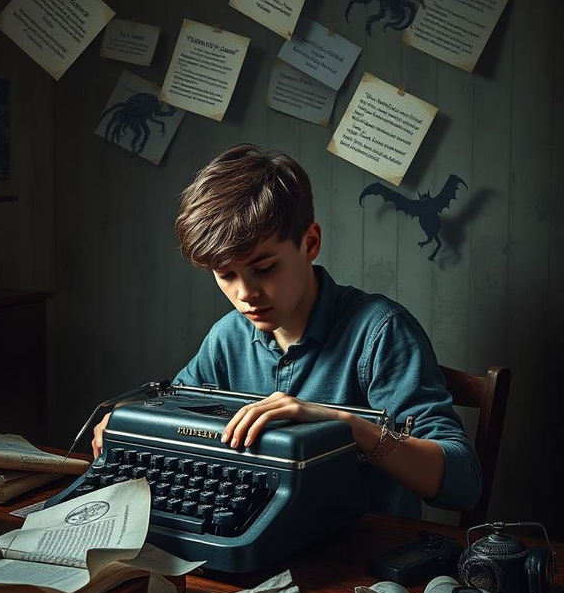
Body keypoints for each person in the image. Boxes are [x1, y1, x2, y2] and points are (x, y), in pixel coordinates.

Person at [167, 143, 481, 519]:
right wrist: (124, 425)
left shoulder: (381, 332)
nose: (245, 294)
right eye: (226, 275)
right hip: (257, 530)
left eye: (265, 268)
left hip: (361, 554)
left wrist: (343, 425)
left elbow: (463, 484)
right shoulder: (227, 336)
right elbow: (172, 419)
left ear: (310, 243)